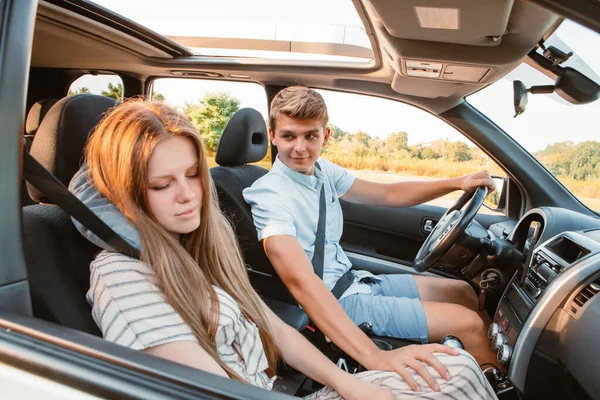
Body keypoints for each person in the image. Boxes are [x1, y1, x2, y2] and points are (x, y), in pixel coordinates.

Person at [70, 99, 497, 399]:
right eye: (162, 185)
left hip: (281, 381)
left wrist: (354, 385)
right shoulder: (123, 277)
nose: (189, 196)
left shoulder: (193, 248)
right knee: (453, 363)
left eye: (192, 175)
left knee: (453, 363)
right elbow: (214, 391)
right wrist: (369, 359)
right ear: (123, 192)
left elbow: (273, 328)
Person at [243, 86, 500, 371]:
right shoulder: (269, 194)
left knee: (464, 292)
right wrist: (372, 355)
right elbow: (300, 280)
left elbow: (387, 195)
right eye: (289, 136)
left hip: (356, 281)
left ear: (325, 136)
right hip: (336, 305)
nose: (300, 148)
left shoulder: (323, 171)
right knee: (469, 324)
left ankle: (492, 364)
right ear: (273, 135)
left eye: (310, 136)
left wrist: (457, 182)